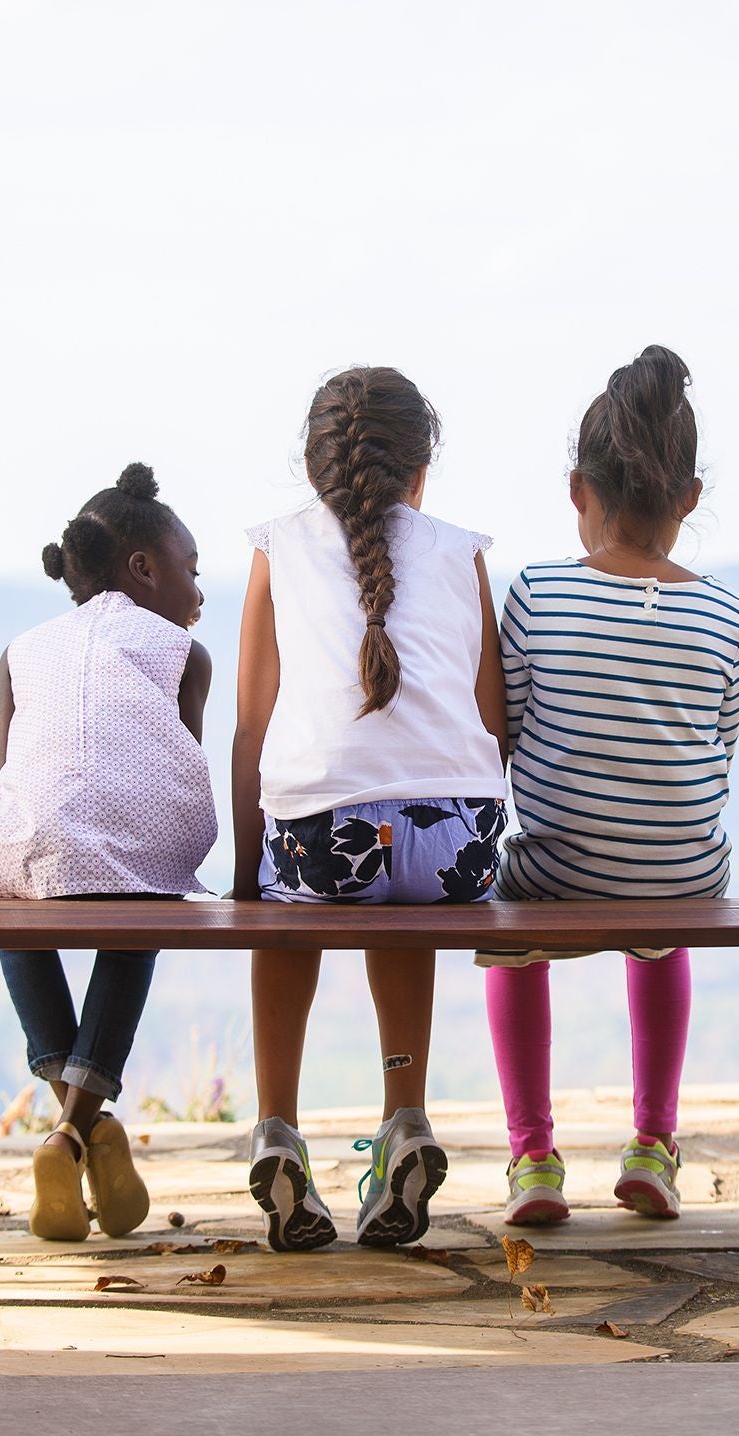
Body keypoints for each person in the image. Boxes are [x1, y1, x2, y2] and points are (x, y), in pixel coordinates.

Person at [233, 367, 508, 1251]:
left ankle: (277, 1126)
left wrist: (248, 876)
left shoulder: (277, 546)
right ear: (420, 471)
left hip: (322, 841)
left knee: (290, 908)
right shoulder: (462, 549)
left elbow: (251, 727)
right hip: (458, 846)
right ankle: (405, 1116)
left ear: (316, 469)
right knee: (405, 884)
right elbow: (492, 721)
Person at [481, 346, 739, 1226]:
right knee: (662, 919)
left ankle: (532, 1156)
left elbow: (508, 734)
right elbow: (720, 745)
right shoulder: (726, 613)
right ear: (689, 499)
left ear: (577, 491)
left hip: (555, 871)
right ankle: (652, 1144)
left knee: (511, 918)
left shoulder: (537, 593)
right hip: (681, 877)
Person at [0, 463, 216, 1241]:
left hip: (29, 849)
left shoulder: (18, 650)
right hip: (136, 857)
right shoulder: (184, 654)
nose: (199, 596)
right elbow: (172, 776)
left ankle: (72, 1121)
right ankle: (78, 1133)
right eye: (191, 572)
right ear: (143, 568)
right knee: (137, 905)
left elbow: (8, 775)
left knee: (12, 896)